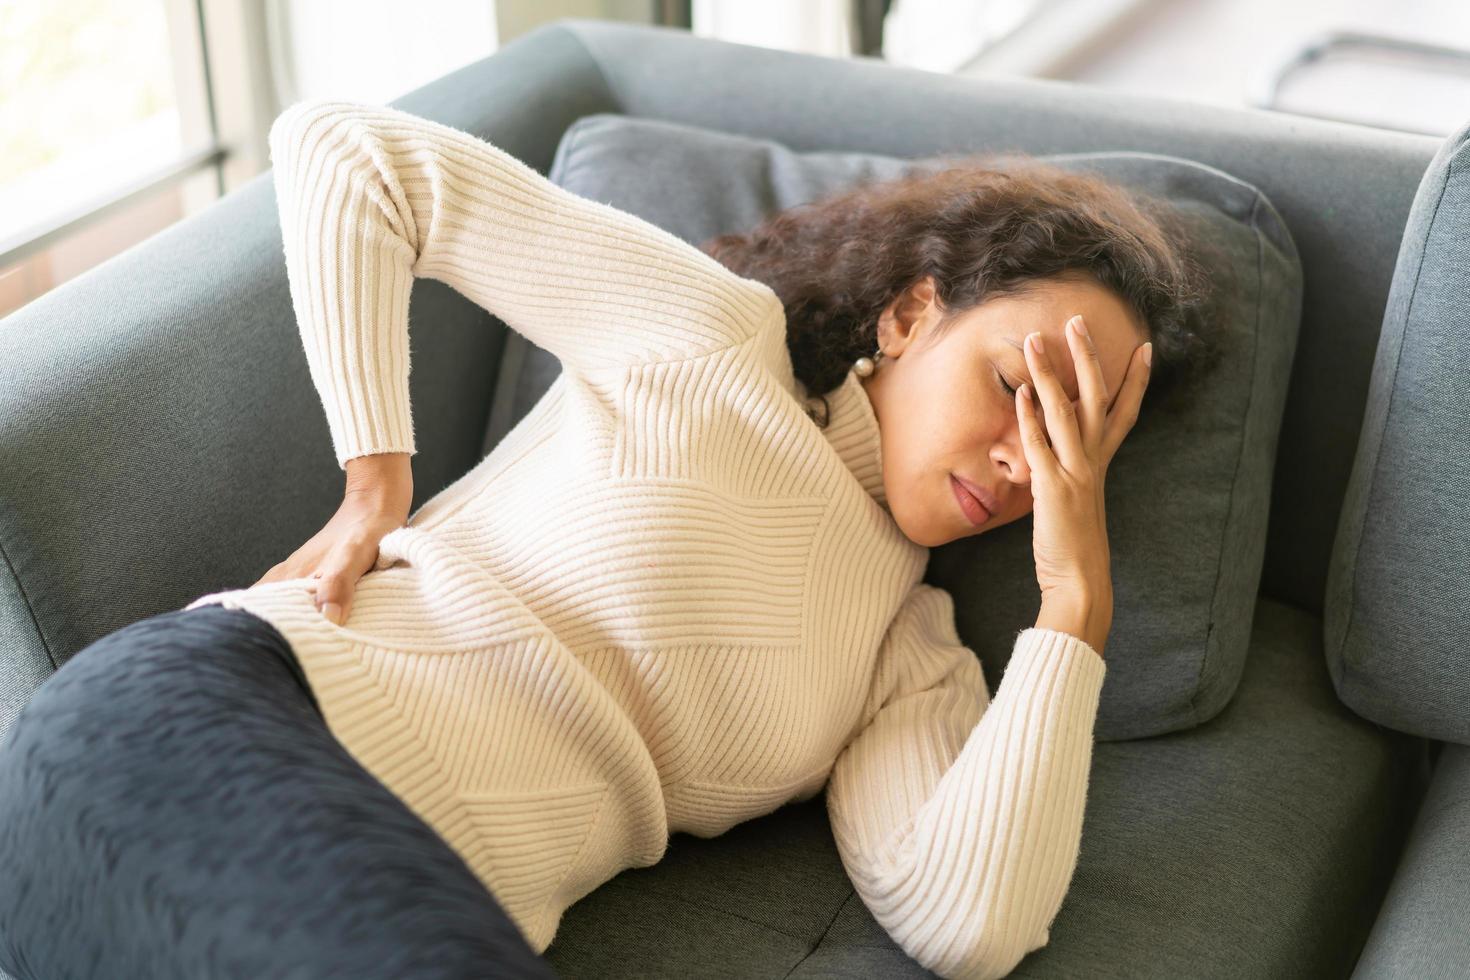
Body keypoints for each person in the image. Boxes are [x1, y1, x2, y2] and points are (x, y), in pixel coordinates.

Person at [0, 98, 1216, 980]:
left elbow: (973, 921)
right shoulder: (711, 343)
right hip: (228, 720)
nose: (1027, 457)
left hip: (409, 912)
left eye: (1077, 437)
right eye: (1020, 387)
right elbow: (352, 154)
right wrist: (377, 480)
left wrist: (1073, 606)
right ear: (907, 316)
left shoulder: (912, 656)